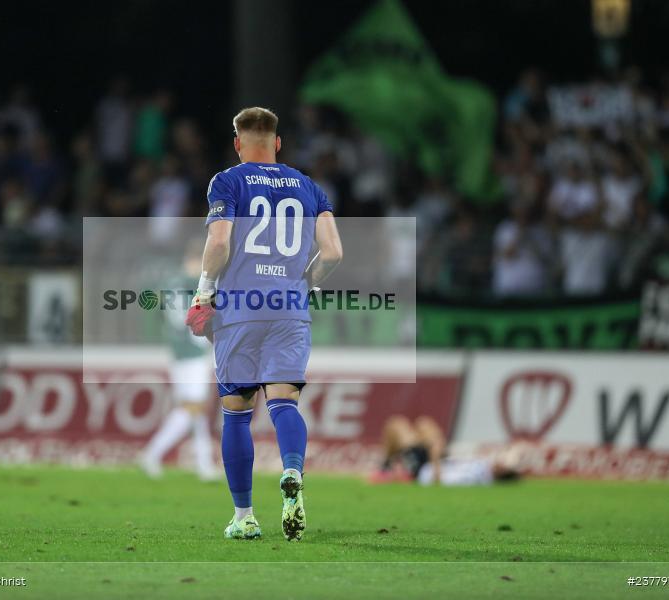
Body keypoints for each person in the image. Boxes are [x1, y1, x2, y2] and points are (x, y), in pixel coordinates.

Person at [185, 107, 342, 541]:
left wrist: (202, 291)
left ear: (238, 143)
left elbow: (219, 241)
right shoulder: (310, 187)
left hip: (240, 309)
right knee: (284, 401)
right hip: (289, 308)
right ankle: (292, 473)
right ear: (278, 143)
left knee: (236, 412)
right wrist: (301, 283)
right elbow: (333, 253)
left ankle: (244, 516)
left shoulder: (228, 181)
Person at [140, 241, 217, 482]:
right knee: (192, 408)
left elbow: (160, 316)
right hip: (193, 353)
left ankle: (204, 465)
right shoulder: (196, 286)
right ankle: (152, 453)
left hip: (177, 352)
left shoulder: (170, 283)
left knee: (196, 411)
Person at [373, 415, 520, 486]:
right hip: (429, 461)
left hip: (424, 466)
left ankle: (387, 464)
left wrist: (435, 456)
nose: (500, 465)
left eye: (503, 468)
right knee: (422, 424)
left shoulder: (477, 476)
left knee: (398, 426)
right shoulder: (482, 466)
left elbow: (439, 480)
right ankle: (387, 464)